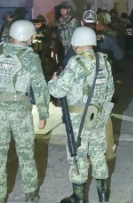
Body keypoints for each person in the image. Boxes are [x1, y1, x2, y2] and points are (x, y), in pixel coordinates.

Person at [0, 20, 50, 203]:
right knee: (26, 155)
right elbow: (40, 86)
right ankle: (31, 195)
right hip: (20, 113)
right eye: (32, 36)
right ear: (27, 37)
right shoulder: (30, 57)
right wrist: (43, 113)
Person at [49, 27, 115, 203]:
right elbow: (110, 91)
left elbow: (57, 90)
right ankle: (103, 195)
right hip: (98, 117)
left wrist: (53, 80)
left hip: (78, 120)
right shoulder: (104, 62)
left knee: (78, 158)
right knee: (98, 155)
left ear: (76, 43)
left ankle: (79, 198)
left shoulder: (76, 63)